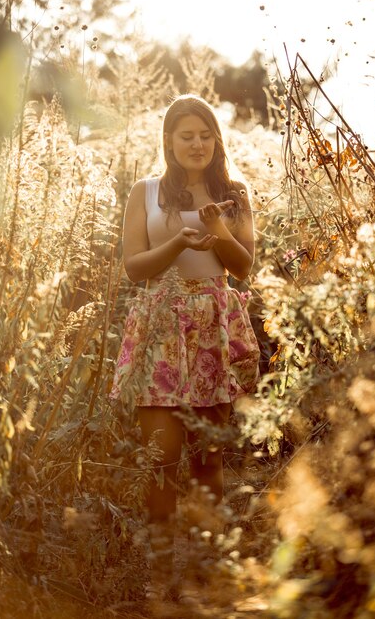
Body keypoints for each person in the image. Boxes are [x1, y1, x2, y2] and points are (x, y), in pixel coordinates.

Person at [110, 94, 260, 601]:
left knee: (206, 459)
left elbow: (242, 268)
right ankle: (159, 578)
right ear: (169, 142)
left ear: (216, 140)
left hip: (212, 327)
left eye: (205, 135)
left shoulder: (234, 193)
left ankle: (203, 577)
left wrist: (214, 225)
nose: (196, 144)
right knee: (162, 457)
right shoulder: (145, 191)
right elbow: (134, 268)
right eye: (185, 136)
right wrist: (178, 243)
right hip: (159, 324)